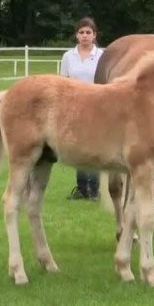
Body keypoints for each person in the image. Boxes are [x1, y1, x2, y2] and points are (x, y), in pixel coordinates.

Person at [60, 17, 104, 200]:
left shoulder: (103, 55)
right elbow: (63, 82)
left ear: (94, 35)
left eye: (88, 32)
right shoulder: (68, 56)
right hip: (74, 106)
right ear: (76, 35)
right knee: (78, 147)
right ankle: (81, 188)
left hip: (97, 106)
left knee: (95, 147)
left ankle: (94, 189)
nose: (85, 36)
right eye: (81, 32)